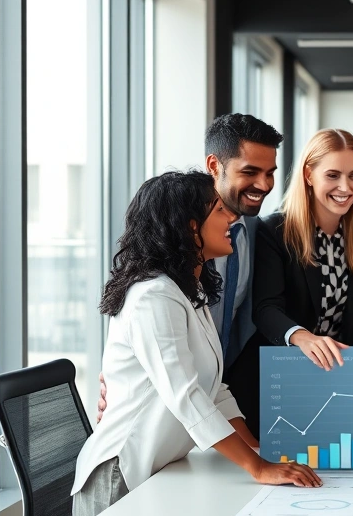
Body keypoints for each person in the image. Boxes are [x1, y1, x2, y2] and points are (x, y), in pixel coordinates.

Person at [72, 171, 319, 516]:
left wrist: (254, 449)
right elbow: (186, 395)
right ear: (190, 227)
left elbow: (213, 388)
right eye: (220, 210)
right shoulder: (153, 296)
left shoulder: (189, 291)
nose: (232, 217)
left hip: (158, 469)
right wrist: (257, 468)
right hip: (119, 477)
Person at [98, 114, 282, 438]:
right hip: (159, 415)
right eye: (250, 172)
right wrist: (118, 372)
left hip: (217, 402)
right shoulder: (163, 221)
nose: (264, 185)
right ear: (214, 165)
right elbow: (136, 308)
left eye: (270, 173)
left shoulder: (258, 232)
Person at [253, 129, 353, 368]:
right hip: (285, 366)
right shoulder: (275, 231)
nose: (345, 187)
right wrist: (302, 337)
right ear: (309, 175)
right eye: (333, 175)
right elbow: (266, 308)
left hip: (341, 369)